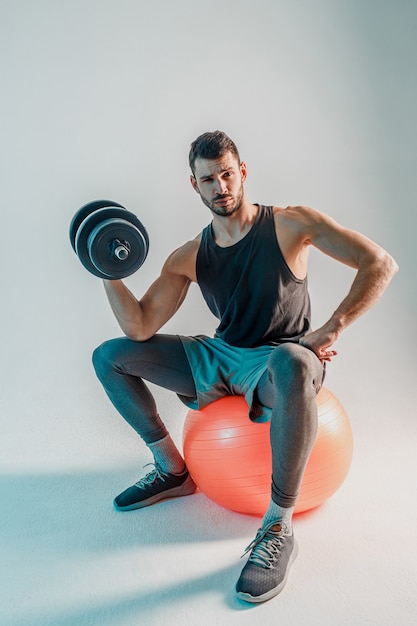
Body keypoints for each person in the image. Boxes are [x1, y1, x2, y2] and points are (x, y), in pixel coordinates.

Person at [92, 130, 398, 603]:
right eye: (208, 179)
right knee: (110, 356)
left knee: (293, 359)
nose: (221, 187)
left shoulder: (292, 225)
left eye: (228, 174)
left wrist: (331, 329)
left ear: (243, 172)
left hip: (282, 361)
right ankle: (173, 470)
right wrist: (106, 270)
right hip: (221, 356)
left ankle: (277, 528)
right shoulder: (190, 256)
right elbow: (139, 326)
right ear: (194, 185)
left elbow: (379, 263)